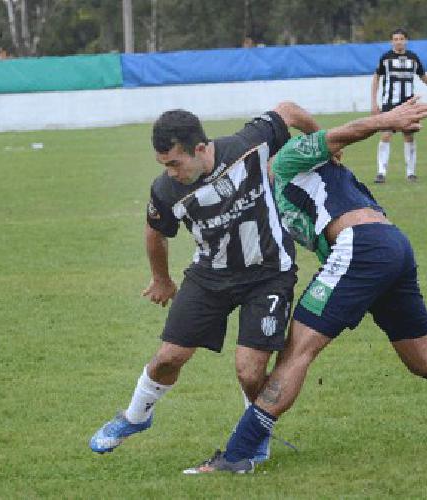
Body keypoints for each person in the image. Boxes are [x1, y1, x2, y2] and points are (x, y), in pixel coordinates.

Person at [182, 97, 427, 474]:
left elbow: (334, 130)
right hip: (389, 247)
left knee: (296, 352)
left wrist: (387, 119)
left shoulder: (287, 159)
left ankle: (237, 455)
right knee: (424, 360)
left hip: (360, 247)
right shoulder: (274, 196)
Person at [88, 102, 321, 463]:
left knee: (250, 369)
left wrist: (318, 146)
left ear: (200, 149)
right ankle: (136, 417)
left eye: (174, 163)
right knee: (169, 357)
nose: (170, 173)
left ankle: (254, 434)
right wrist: (161, 279)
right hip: (210, 275)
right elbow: (155, 232)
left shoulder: (249, 144)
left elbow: (288, 111)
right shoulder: (166, 190)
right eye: (163, 165)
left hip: (269, 274)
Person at [371, 29, 427, 184]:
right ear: (392, 41)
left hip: (408, 103)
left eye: (401, 38)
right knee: (386, 135)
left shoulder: (413, 58)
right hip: (389, 103)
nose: (398, 41)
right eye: (395, 39)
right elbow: (376, 78)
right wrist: (373, 101)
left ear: (406, 40)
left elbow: (422, 75)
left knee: (409, 135)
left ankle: (411, 173)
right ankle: (381, 172)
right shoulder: (385, 58)